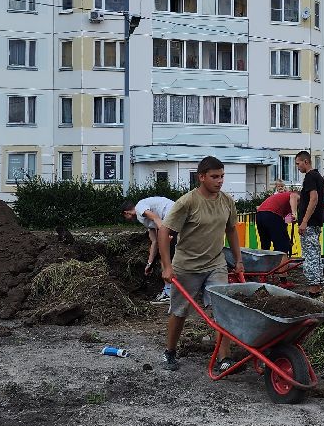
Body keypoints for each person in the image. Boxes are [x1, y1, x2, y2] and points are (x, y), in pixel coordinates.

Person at [157, 156, 244, 371]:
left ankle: (224, 359)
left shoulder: (226, 201)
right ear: (202, 177)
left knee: (222, 309)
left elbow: (231, 230)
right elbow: (164, 231)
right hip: (187, 266)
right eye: (215, 177)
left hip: (216, 264)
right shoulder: (187, 202)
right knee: (179, 311)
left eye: (222, 176)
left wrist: (239, 260)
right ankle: (170, 351)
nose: (220, 181)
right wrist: (167, 266)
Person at [123, 194, 176, 302]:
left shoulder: (139, 208)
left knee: (164, 257)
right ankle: (174, 290)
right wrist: (149, 264)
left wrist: (166, 235)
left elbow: (156, 218)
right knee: (168, 255)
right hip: (172, 218)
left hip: (172, 215)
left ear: (126, 212)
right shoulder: (145, 220)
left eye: (125, 217)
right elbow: (154, 242)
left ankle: (168, 292)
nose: (127, 219)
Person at [294, 151, 324, 296]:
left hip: (310, 224)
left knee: (310, 255)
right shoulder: (318, 176)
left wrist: (304, 221)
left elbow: (314, 199)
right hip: (316, 222)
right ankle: (317, 288)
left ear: (306, 162)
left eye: (298, 163)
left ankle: (313, 290)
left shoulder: (310, 177)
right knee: (315, 254)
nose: (297, 166)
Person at [254, 182, 295, 254]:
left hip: (260, 214)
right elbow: (293, 197)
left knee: (265, 243)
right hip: (271, 214)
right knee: (282, 244)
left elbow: (285, 220)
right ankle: (280, 263)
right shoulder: (293, 195)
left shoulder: (281, 198)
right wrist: (295, 214)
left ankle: (265, 262)